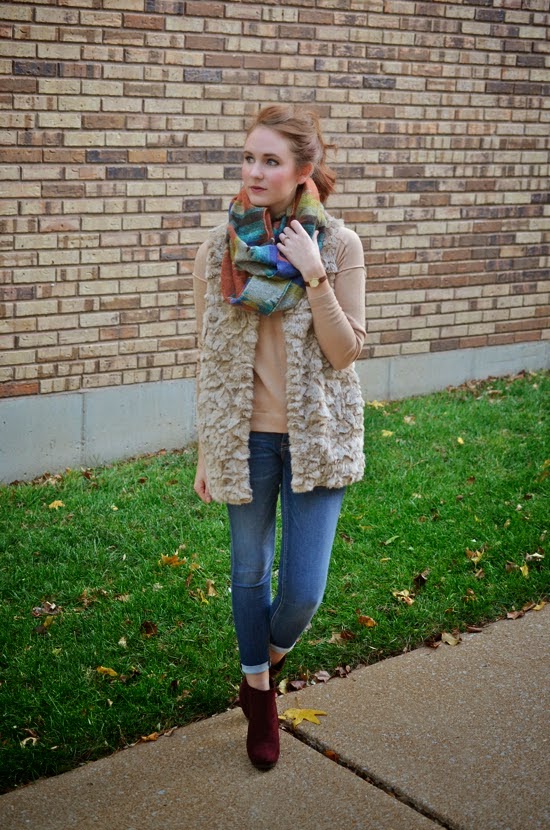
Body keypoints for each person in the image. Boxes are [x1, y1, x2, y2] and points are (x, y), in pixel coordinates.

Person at [193, 104, 366, 771]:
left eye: (271, 160)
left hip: (317, 438)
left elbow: (345, 352)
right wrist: (208, 450)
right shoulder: (219, 249)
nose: (254, 172)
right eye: (248, 157)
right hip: (246, 441)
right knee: (247, 572)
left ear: (302, 170)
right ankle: (261, 698)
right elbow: (209, 358)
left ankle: (260, 665)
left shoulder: (339, 245)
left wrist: (313, 272)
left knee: (303, 592)